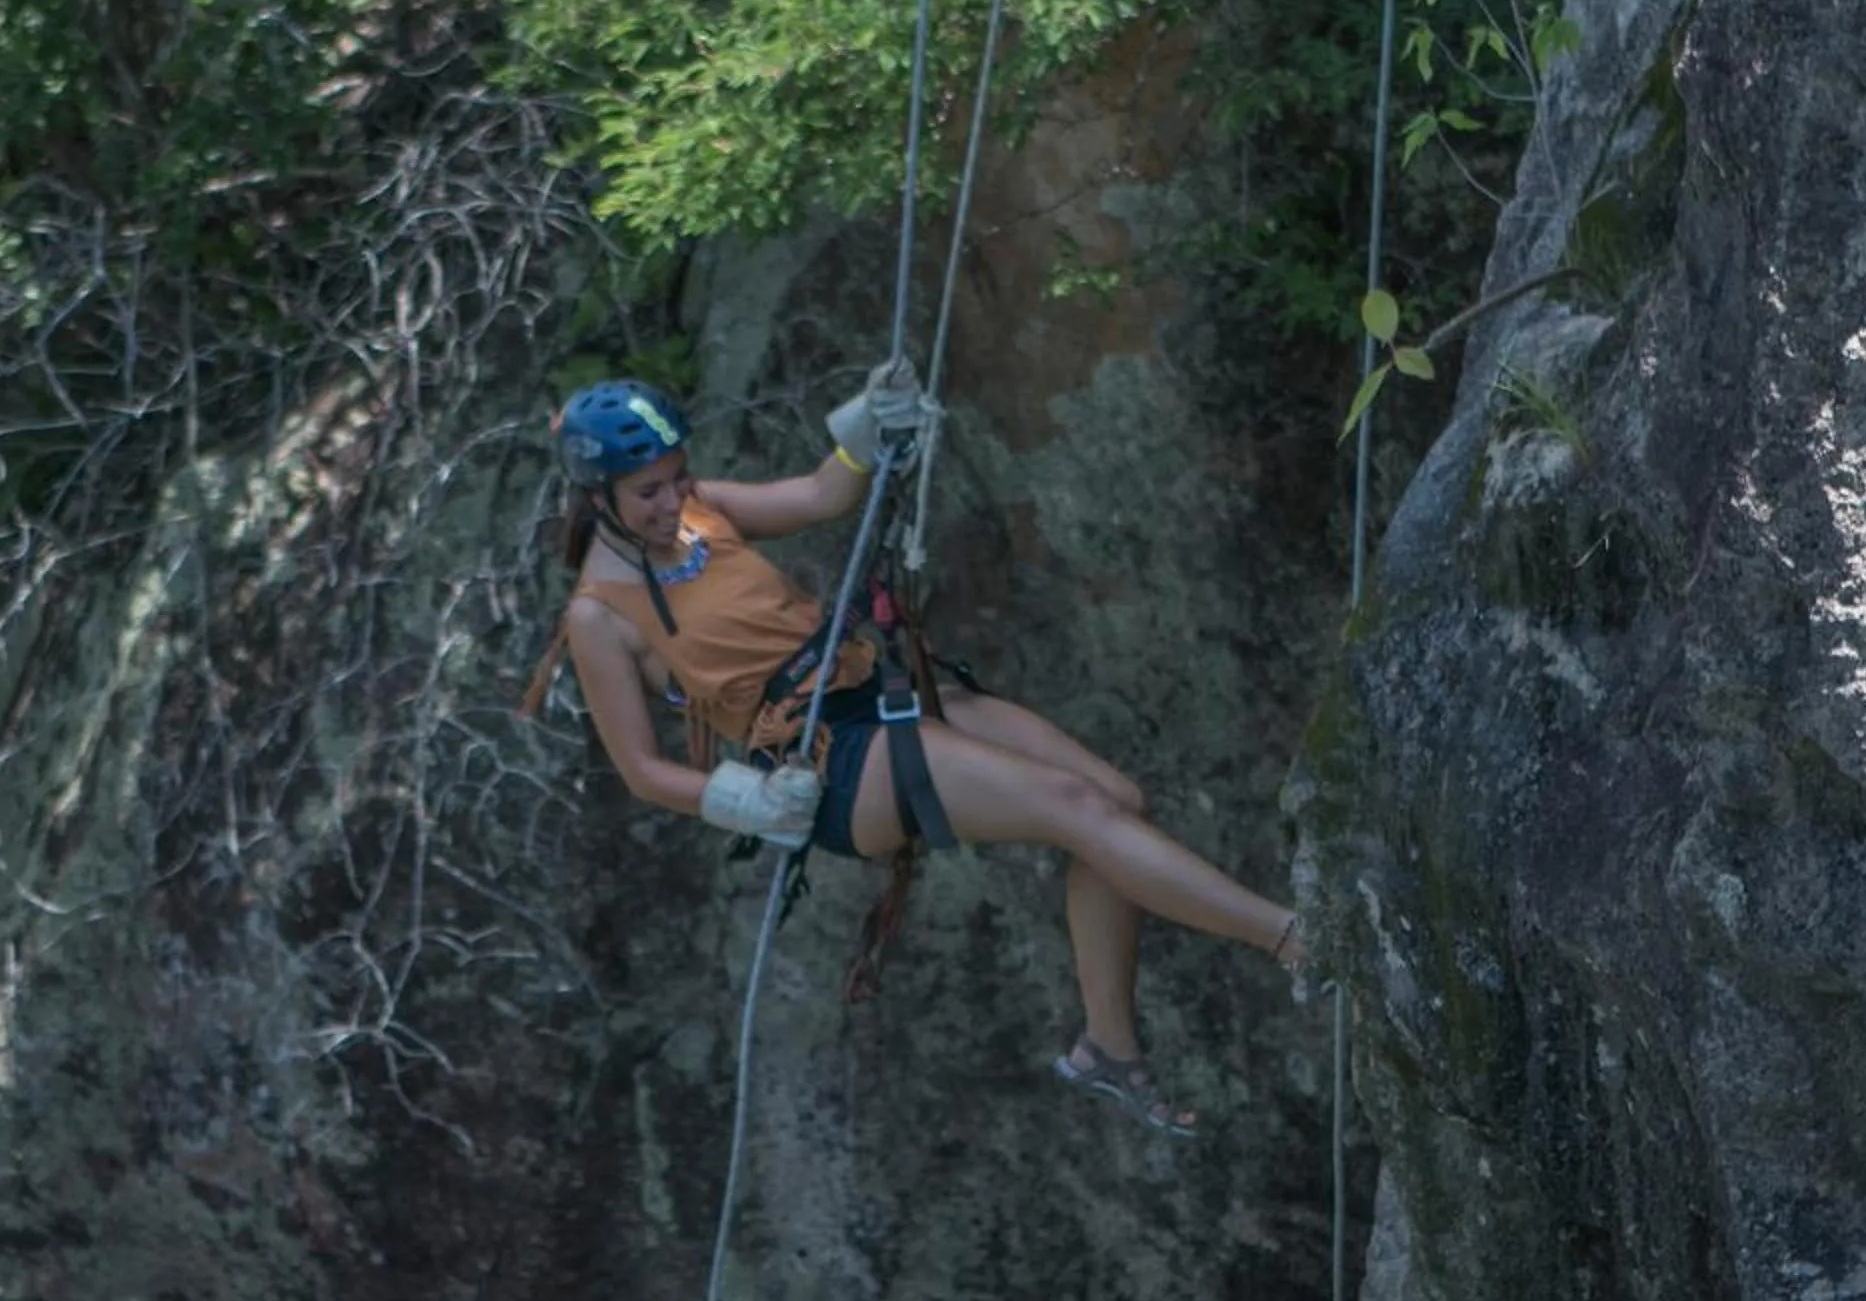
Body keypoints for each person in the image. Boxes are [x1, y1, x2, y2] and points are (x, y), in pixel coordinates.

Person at [547, 371, 1304, 1134]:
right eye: (650, 491)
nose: (673, 500)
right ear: (598, 494)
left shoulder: (704, 512)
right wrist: (745, 799)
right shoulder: (598, 616)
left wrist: (864, 433)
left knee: (1115, 799)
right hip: (831, 760)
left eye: (678, 477)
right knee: (1075, 808)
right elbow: (641, 771)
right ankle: (1296, 941)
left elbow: (818, 498)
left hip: (875, 686)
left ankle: (1106, 1046)